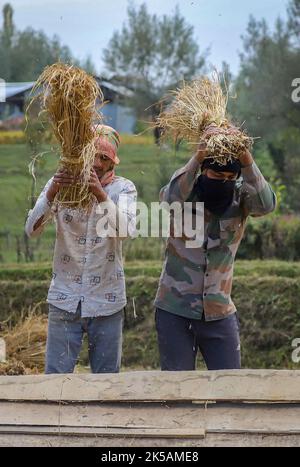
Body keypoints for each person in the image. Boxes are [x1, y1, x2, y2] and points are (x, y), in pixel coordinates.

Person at [154, 125, 276, 371]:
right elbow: (169, 198)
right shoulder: (185, 194)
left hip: (219, 313)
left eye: (230, 178)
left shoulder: (240, 200)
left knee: (230, 389)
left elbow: (266, 205)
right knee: (177, 390)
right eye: (217, 177)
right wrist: (199, 154)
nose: (224, 183)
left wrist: (246, 159)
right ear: (203, 172)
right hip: (175, 311)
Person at [25, 125, 137, 374]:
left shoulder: (123, 188)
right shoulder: (60, 185)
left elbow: (126, 231)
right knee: (56, 380)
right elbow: (31, 230)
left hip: (107, 300)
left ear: (112, 163)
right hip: (65, 298)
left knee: (106, 381)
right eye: (92, 155)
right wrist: (52, 192)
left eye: (104, 158)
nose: (97, 163)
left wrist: (100, 195)